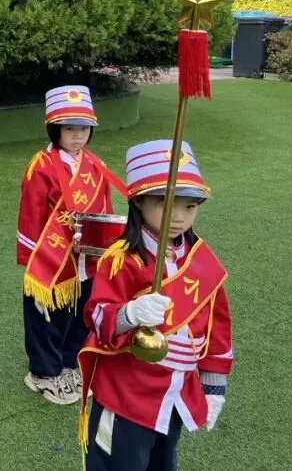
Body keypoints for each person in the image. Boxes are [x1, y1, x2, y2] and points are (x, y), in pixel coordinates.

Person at [79, 140, 233, 471]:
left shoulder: (201, 259)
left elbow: (216, 326)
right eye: (165, 203)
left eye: (189, 206)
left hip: (176, 392)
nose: (178, 216)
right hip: (126, 393)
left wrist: (214, 385)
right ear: (138, 201)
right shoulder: (121, 259)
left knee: (163, 462)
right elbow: (96, 316)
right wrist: (129, 313)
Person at [18, 86, 118, 404]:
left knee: (82, 314)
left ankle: (68, 363)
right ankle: (43, 372)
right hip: (52, 258)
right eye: (70, 128)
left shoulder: (95, 164)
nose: (78, 136)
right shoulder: (41, 165)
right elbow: (31, 215)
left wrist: (107, 250)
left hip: (86, 258)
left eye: (84, 129)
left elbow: (105, 209)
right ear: (55, 129)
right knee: (49, 316)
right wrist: (33, 263)